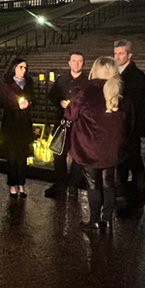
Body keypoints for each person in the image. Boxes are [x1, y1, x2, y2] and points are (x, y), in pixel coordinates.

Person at [64, 57, 128, 231]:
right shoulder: (120, 90)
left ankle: (94, 221)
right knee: (108, 183)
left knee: (93, 184)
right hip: (113, 146)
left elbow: (70, 115)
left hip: (89, 147)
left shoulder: (85, 90)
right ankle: (106, 218)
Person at [44, 52, 88, 198]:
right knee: (58, 153)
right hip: (62, 122)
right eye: (74, 61)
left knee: (77, 156)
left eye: (79, 61)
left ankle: (73, 185)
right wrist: (59, 102)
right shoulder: (62, 79)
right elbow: (52, 96)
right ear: (69, 62)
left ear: (83, 63)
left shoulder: (87, 80)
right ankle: (60, 184)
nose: (76, 64)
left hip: (79, 123)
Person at [113, 39, 145, 217]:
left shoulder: (137, 75)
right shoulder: (114, 73)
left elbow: (134, 102)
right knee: (121, 163)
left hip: (131, 126)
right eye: (116, 53)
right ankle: (123, 197)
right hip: (118, 126)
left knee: (133, 161)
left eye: (121, 53)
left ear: (129, 55)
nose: (117, 56)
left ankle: (135, 199)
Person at [0, 58, 34, 197]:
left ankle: (21, 184)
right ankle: (12, 185)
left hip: (24, 124)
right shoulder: (5, 84)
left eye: (25, 67)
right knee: (12, 158)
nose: (23, 70)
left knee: (22, 157)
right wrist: (15, 105)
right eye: (20, 67)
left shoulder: (28, 83)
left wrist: (28, 103)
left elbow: (34, 98)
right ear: (13, 67)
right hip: (11, 124)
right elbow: (0, 101)